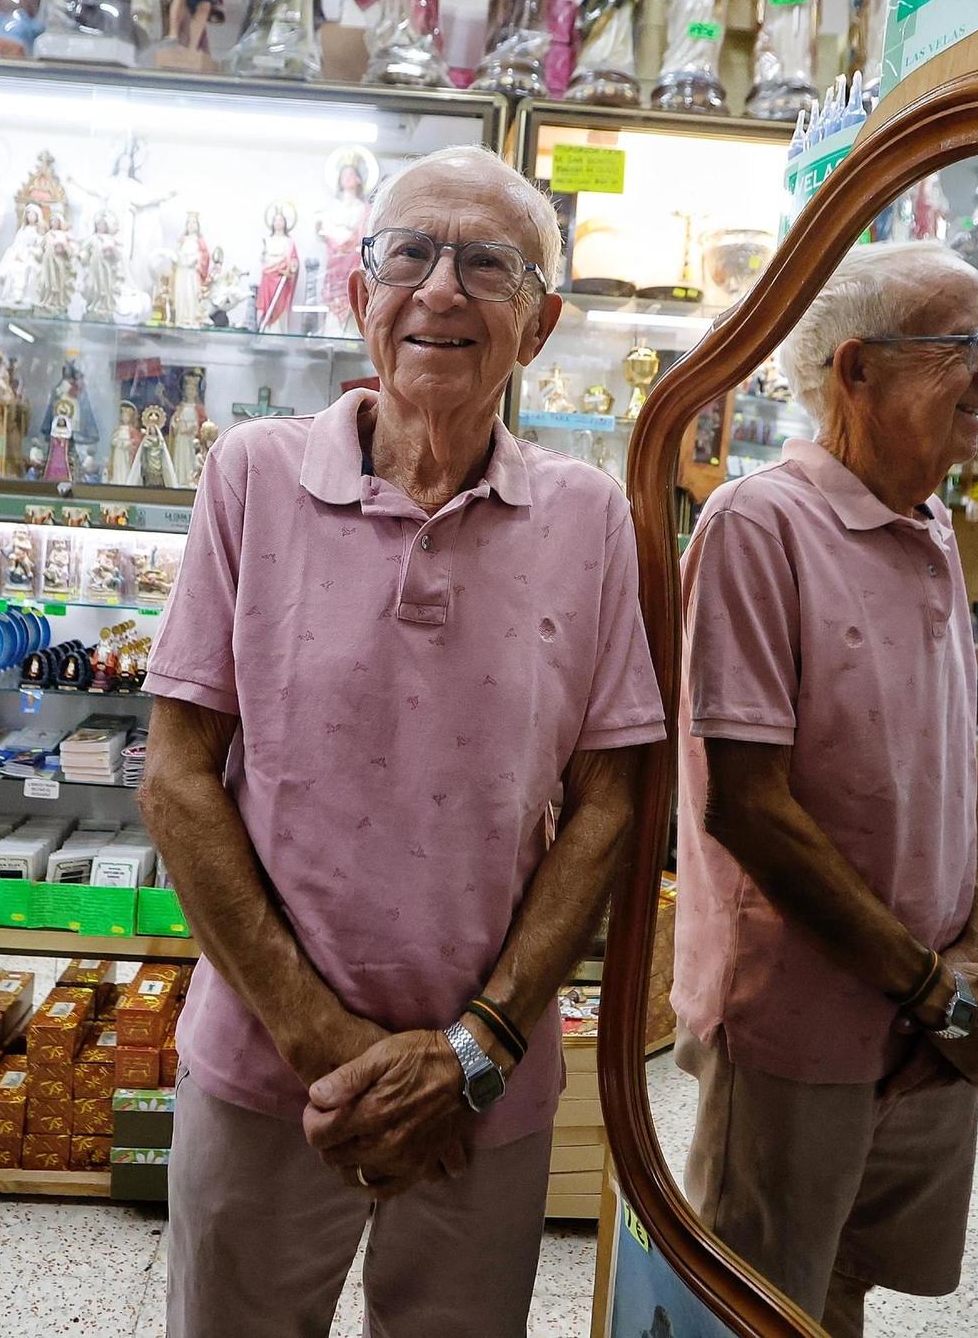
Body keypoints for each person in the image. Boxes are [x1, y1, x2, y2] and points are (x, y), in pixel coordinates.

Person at [138, 144, 665, 1336]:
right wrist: (326, 1046)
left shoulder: (584, 516)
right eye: (408, 255)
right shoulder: (253, 476)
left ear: (538, 325)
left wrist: (475, 1045)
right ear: (354, 289)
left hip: (488, 1080)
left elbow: (609, 802)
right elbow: (175, 781)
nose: (440, 290)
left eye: (487, 264)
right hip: (272, 1070)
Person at [672, 241, 978, 1337]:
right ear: (855, 370)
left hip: (931, 1003)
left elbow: (952, 763)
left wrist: (976, 949)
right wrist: (926, 983)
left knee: (848, 1275)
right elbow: (745, 802)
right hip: (801, 1016)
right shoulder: (757, 525)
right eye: (968, 346)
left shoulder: (931, 525)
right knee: (760, 1292)